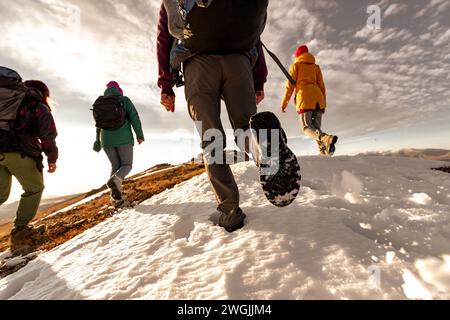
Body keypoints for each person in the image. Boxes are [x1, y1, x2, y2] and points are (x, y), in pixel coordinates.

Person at [157, 0, 269, 233]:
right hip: (239, 59)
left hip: (196, 61)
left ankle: (230, 211)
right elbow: (253, 34)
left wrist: (166, 83)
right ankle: (269, 151)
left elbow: (164, 37)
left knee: (212, 138)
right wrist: (259, 79)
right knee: (246, 128)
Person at [0, 69, 58, 249]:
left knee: (0, 195)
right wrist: (52, 157)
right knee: (34, 188)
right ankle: (21, 231)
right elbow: (48, 134)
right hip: (21, 153)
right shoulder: (35, 105)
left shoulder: (6, 101)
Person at [93, 81, 145, 207]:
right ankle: (116, 185)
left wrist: (98, 141)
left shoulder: (99, 102)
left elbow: (98, 124)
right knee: (126, 165)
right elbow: (134, 117)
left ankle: (117, 200)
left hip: (106, 140)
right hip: (124, 138)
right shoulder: (124, 100)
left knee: (115, 166)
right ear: (119, 90)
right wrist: (139, 135)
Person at [281, 45, 338, 155]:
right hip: (318, 99)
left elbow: (289, 87)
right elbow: (322, 86)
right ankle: (324, 151)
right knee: (316, 127)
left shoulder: (296, 66)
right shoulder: (316, 67)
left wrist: (284, 103)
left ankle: (324, 138)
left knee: (306, 128)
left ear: (297, 56)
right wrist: (323, 104)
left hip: (305, 98)